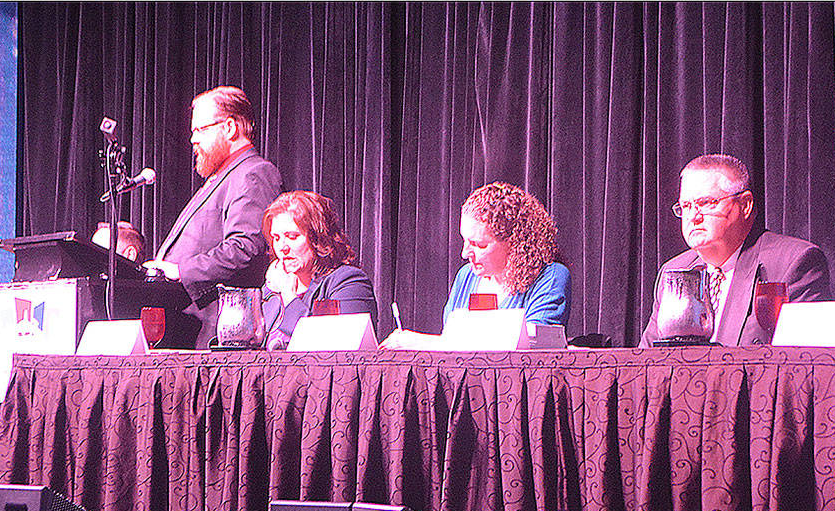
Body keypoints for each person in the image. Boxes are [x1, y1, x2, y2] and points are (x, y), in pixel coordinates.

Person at [639, 154, 831, 347]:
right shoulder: (673, 272)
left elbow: (800, 362)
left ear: (745, 204)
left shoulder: (793, 263)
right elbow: (647, 360)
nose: (693, 216)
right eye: (686, 206)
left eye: (706, 203)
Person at [143, 85, 283, 348]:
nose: (192, 140)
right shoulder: (221, 178)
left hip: (215, 337)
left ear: (230, 128)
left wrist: (181, 271)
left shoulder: (253, 174)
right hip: (182, 330)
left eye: (200, 130)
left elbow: (245, 248)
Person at [383, 181, 568, 348]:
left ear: (514, 243)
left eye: (479, 245)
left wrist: (417, 341)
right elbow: (451, 343)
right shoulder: (466, 276)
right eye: (465, 241)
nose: (465, 254)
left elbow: (528, 349)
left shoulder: (550, 276)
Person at [259, 191, 378, 350]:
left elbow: (329, 349)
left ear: (318, 238)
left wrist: (288, 295)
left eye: (292, 237)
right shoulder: (270, 290)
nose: (282, 247)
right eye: (276, 238)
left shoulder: (347, 282)